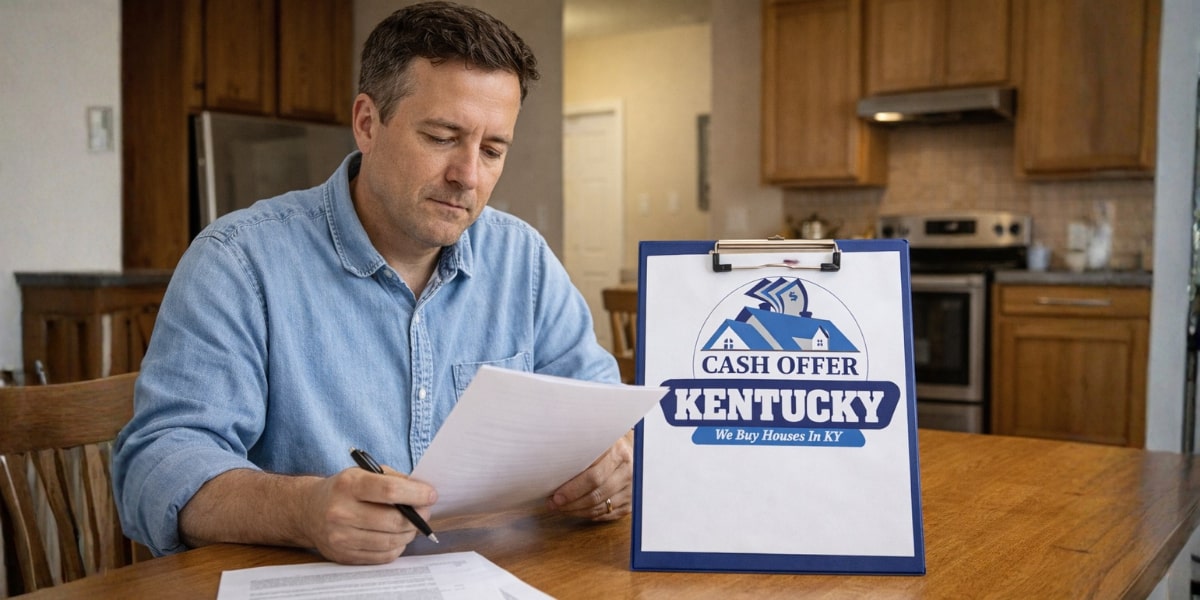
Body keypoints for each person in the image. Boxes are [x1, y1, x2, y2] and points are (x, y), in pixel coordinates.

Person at [112, 1, 627, 566]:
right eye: (441, 137)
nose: (468, 175)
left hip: (496, 574)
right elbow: (156, 467)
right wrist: (303, 511)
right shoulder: (238, 262)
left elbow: (604, 418)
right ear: (367, 124)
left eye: (492, 150)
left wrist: (614, 467)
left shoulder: (522, 259)